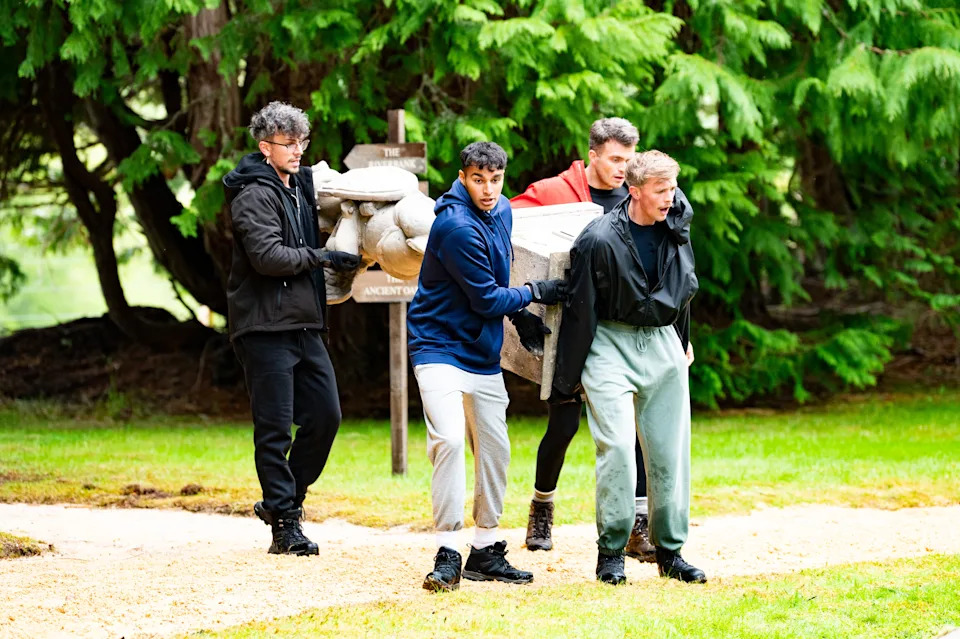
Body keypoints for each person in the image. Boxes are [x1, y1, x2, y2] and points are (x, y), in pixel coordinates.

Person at [407, 141, 567, 592]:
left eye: (495, 179)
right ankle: (447, 552)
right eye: (478, 179)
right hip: (438, 347)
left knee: (495, 448)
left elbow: (497, 280)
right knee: (449, 440)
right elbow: (484, 298)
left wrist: (518, 316)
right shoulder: (455, 225)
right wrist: (533, 293)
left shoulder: (504, 211)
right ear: (463, 178)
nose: (488, 189)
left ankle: (485, 549)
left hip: (481, 352)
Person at [553, 150, 705, 585]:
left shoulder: (677, 226)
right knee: (618, 447)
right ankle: (611, 553)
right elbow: (580, 307)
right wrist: (568, 378)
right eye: (661, 190)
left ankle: (670, 552)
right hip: (609, 342)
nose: (670, 198)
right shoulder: (599, 239)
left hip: (662, 342)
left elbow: (684, 288)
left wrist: (682, 340)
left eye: (673, 188)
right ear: (634, 192)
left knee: (670, 451)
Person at [511, 118, 656, 562]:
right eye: (615, 159)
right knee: (563, 426)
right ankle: (541, 509)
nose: (623, 168)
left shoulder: (637, 196)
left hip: (622, 332)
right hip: (573, 330)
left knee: (634, 430)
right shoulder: (554, 192)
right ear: (592, 155)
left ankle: (637, 526)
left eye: (629, 159)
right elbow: (503, 225)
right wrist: (523, 299)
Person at [223, 101, 361, 556]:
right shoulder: (251, 194)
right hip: (264, 327)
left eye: (302, 141)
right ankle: (285, 526)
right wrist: (322, 256)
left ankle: (282, 502)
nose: (298, 150)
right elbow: (267, 257)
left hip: (305, 323)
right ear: (266, 148)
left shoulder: (300, 185)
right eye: (288, 143)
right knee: (275, 428)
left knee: (326, 416)